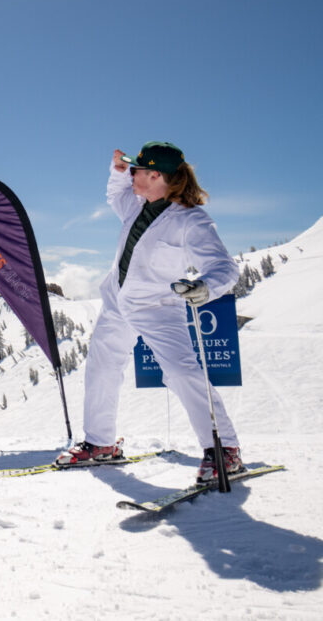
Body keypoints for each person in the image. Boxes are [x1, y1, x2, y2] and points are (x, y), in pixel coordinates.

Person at [54, 141, 241, 484]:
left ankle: (224, 450)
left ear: (156, 175)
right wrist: (117, 171)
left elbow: (224, 268)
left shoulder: (190, 220)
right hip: (117, 301)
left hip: (157, 307)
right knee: (102, 366)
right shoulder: (138, 205)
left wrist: (205, 287)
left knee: (182, 373)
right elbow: (115, 194)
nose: (132, 175)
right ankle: (101, 443)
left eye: (137, 170)